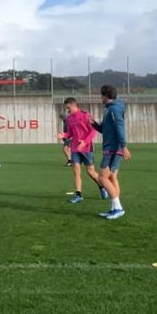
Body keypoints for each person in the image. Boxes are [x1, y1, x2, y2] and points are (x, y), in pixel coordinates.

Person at [92, 85, 131, 220]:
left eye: (101, 96)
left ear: (105, 96)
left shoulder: (113, 109)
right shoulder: (109, 109)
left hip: (113, 149)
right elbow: (103, 129)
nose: (100, 98)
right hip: (113, 148)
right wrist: (92, 123)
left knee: (102, 178)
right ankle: (114, 208)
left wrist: (124, 146)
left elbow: (120, 127)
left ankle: (118, 208)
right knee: (112, 178)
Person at [62, 97, 106, 204]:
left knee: (91, 172)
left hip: (87, 148)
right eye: (66, 108)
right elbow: (70, 133)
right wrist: (63, 135)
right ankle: (78, 195)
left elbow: (93, 131)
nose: (67, 110)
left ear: (74, 105)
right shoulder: (69, 119)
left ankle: (102, 186)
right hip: (75, 148)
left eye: (68, 108)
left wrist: (85, 142)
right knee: (76, 171)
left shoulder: (86, 115)